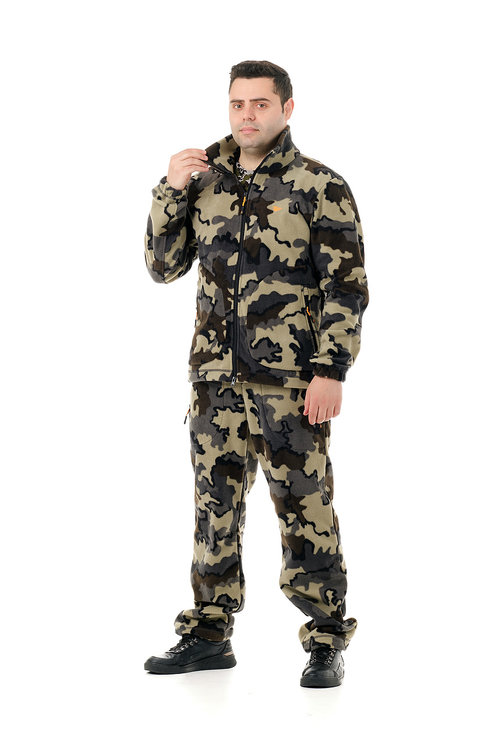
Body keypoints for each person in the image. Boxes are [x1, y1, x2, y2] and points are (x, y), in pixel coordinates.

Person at [143, 60, 369, 688]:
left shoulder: (319, 185)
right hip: (214, 380)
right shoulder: (203, 181)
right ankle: (208, 634)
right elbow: (162, 267)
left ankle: (326, 639)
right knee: (214, 506)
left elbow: (346, 287)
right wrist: (169, 190)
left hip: (291, 383)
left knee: (305, 506)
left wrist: (331, 369)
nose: (247, 115)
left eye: (260, 104)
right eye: (238, 103)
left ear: (286, 109)